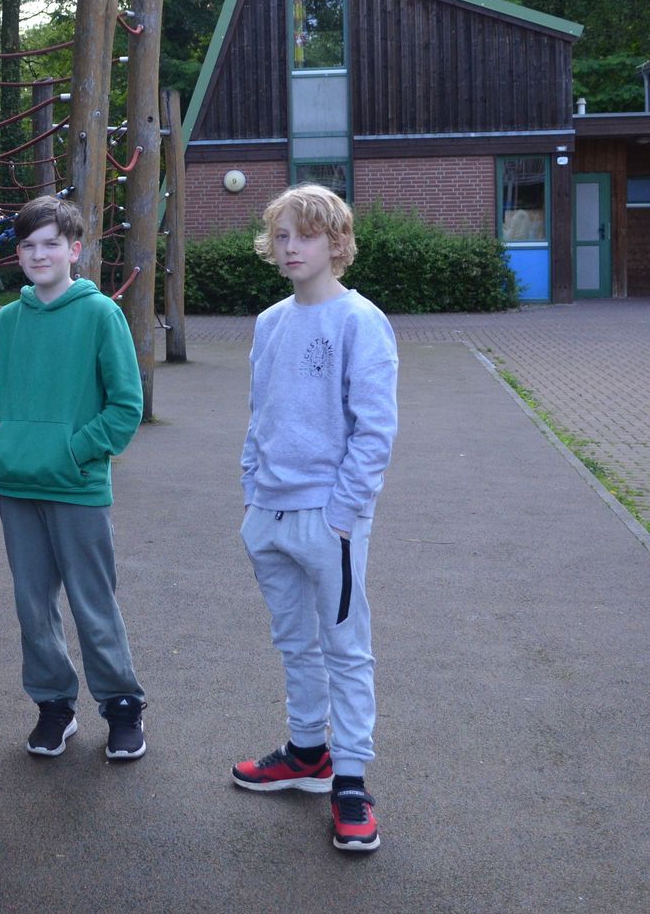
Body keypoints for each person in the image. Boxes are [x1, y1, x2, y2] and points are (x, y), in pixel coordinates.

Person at [228, 184, 398, 853]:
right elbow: (259, 413)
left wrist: (342, 515)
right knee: (293, 642)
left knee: (346, 651)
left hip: (328, 522)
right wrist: (251, 495)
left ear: (336, 242)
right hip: (267, 514)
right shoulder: (270, 322)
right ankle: (307, 752)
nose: (291, 246)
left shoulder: (360, 321)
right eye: (282, 235)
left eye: (305, 234)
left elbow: (375, 430)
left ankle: (350, 779)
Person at [0, 195, 147, 760]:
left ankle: (122, 708)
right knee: (32, 606)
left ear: (75, 250)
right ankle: (53, 706)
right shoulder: (5, 320)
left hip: (76, 487)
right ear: (17, 254)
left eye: (52, 243)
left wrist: (75, 452)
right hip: (17, 486)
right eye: (29, 245)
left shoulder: (101, 314)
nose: (39, 253)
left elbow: (125, 406)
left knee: (92, 602)